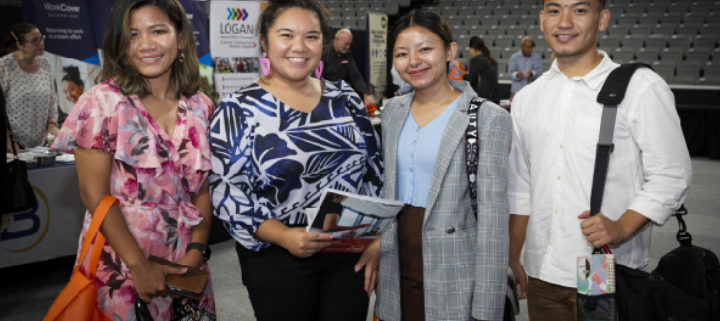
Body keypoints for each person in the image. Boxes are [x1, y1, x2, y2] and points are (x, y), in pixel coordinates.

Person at [508, 1, 692, 320]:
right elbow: (521, 187)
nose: (564, 21)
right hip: (541, 269)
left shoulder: (641, 88)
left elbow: (671, 176)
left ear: (602, 19)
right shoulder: (526, 99)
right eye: (554, 11)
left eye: (579, 10)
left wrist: (622, 227)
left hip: (600, 268)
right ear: (541, 20)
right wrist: (514, 257)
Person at [208, 0, 383, 320]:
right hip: (276, 257)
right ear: (264, 41)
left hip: (349, 251)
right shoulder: (237, 109)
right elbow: (224, 190)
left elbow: (374, 171)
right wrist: (282, 235)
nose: (299, 47)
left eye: (312, 36)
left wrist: (378, 239)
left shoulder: (345, 98)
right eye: (286, 35)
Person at [51, 0, 216, 319]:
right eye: (133, 34)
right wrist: (139, 266)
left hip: (187, 258)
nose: (146, 45)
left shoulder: (200, 105)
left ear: (181, 38)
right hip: (122, 258)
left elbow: (202, 189)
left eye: (158, 31)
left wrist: (195, 253)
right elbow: (93, 195)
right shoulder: (100, 103)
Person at [375, 10, 512, 321]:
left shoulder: (488, 118)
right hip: (398, 259)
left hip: (455, 267)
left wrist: (486, 309)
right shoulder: (393, 112)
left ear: (450, 52)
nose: (413, 60)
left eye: (425, 49)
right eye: (402, 53)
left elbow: (493, 223)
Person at [1, 23, 59, 151]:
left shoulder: (45, 64)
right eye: (34, 40)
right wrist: (7, 140)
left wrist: (52, 124)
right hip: (12, 145)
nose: (40, 43)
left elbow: (52, 99)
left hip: (40, 144)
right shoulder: (4, 66)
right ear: (19, 45)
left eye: (41, 38)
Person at [321, 28, 377, 106]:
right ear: (337, 40)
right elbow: (317, 77)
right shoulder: (323, 53)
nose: (348, 47)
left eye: (350, 44)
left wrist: (365, 94)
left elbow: (355, 75)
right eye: (346, 44)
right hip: (325, 94)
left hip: (342, 93)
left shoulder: (347, 54)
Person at [459, 36, 499, 103]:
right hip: (494, 100)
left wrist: (460, 70)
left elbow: (472, 81)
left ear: (473, 48)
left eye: (469, 49)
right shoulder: (493, 61)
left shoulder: (475, 60)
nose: (470, 52)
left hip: (481, 100)